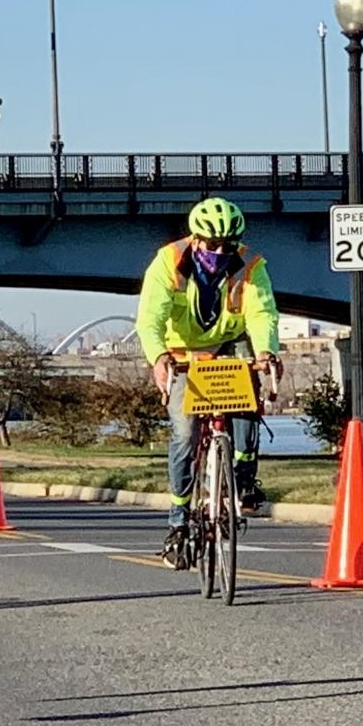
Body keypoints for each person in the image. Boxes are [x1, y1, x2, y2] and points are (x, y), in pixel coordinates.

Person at [135, 197, 282, 570]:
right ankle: (178, 521)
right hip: (181, 351)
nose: (219, 252)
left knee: (247, 406)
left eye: (227, 245)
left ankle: (243, 479)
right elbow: (150, 319)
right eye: (212, 244)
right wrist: (159, 358)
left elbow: (262, 313)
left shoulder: (251, 265)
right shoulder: (168, 262)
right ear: (195, 239)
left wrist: (266, 352)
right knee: (184, 433)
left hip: (230, 343)